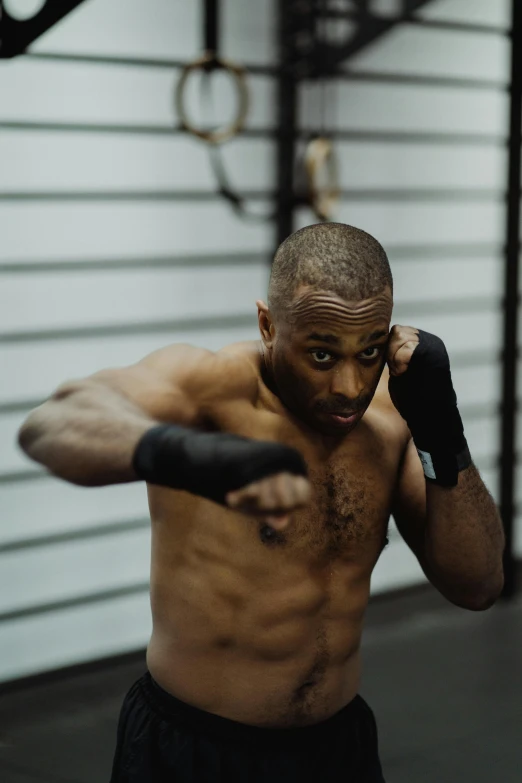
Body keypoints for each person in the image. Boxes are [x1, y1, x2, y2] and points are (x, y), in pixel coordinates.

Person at [18, 223, 505, 783]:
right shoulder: (214, 389)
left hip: (335, 749)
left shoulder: (388, 424)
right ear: (268, 325)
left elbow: (478, 584)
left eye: (369, 350)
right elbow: (52, 425)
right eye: (321, 354)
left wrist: (443, 430)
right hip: (194, 749)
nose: (349, 385)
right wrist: (189, 455)